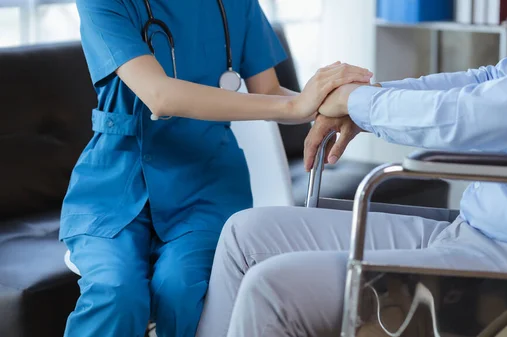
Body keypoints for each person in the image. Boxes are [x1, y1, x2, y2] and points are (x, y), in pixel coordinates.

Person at [194, 0, 507, 336]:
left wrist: (357, 104)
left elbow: (483, 113)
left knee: (272, 290)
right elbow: (489, 79)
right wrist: (369, 96)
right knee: (243, 235)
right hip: (474, 230)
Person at [60, 0, 373, 335]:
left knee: (181, 288)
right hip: (116, 185)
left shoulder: (236, 4)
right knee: (116, 291)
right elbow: (160, 95)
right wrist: (296, 106)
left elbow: (268, 91)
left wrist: (344, 104)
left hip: (206, 185)